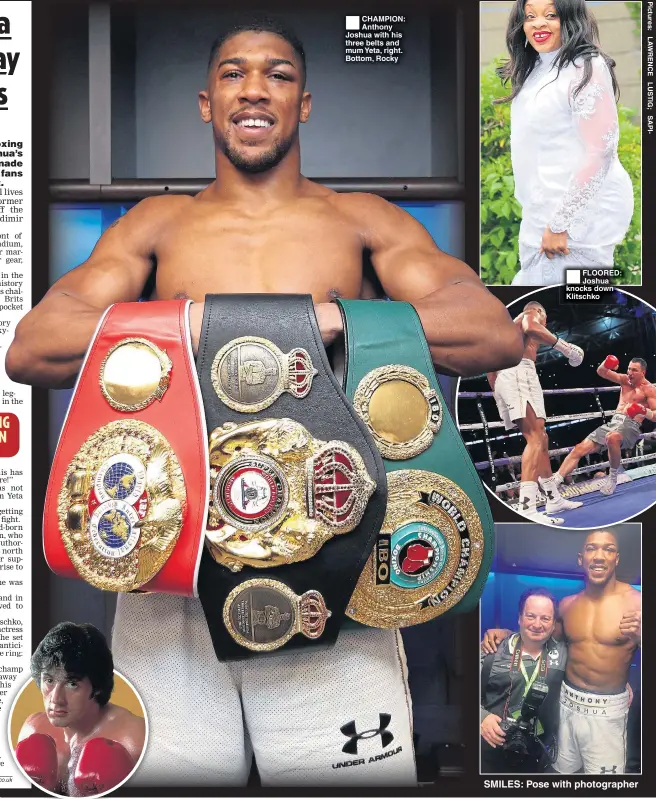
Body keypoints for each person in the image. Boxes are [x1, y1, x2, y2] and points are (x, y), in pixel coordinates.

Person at [5, 17, 522, 789]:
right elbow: (34, 345)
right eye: (234, 74)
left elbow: (489, 332)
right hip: (172, 567)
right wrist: (198, 323)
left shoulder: (362, 220)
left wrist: (333, 317)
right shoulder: (156, 225)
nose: (254, 89)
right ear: (206, 102)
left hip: (333, 570)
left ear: (304, 103)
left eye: (277, 75)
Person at [495, 0, 633, 285]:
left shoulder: (585, 67)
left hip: (576, 223)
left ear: (570, 20)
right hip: (541, 217)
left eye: (551, 15)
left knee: (572, 314)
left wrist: (561, 224)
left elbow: (600, 151)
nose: (538, 24)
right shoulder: (535, 69)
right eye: (530, 16)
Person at [482, 529, 641, 774]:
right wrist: (504, 632)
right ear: (581, 558)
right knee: (559, 775)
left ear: (616, 558)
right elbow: (538, 634)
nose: (599, 556)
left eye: (608, 549)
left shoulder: (638, 602)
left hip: (607, 712)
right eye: (591, 549)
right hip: (565, 706)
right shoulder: (568, 605)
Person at [16, 623, 145, 796]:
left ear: (97, 686)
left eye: (72, 684)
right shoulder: (32, 728)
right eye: (49, 681)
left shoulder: (134, 738)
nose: (56, 699)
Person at [487, 300, 583, 523]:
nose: (543, 323)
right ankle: (528, 508)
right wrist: (565, 347)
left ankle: (553, 499)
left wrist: (498, 394)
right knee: (534, 439)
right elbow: (532, 326)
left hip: (506, 377)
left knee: (541, 437)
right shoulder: (532, 313)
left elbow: (491, 368)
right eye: (544, 319)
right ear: (542, 313)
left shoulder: (509, 331)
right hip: (519, 374)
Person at [480, 588, 566, 773]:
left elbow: (586, 675)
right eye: (530, 616)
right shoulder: (490, 652)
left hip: (537, 752)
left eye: (545, 618)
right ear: (519, 618)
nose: (537, 624)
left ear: (553, 625)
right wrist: (482, 717)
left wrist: (621, 683)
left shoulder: (564, 655)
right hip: (492, 747)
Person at [555, 356, 656, 496]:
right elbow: (601, 372)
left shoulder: (650, 389)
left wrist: (643, 411)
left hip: (631, 426)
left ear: (643, 372)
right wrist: (606, 364)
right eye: (628, 369)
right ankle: (554, 482)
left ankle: (613, 478)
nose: (630, 373)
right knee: (579, 448)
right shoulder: (624, 380)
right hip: (613, 422)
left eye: (634, 370)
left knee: (612, 437)